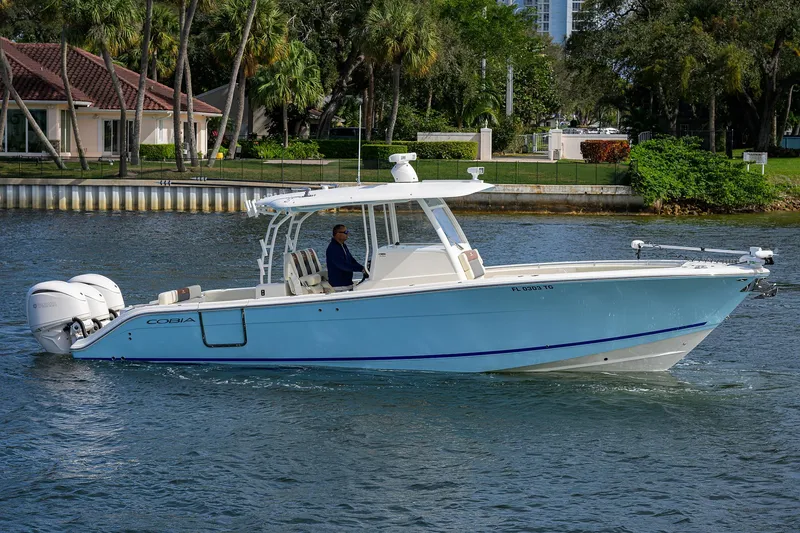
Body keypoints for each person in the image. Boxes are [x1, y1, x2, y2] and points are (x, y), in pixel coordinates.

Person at [326, 224, 367, 291]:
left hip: (347, 284)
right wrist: (360, 269)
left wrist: (363, 268)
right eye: (345, 232)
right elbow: (343, 266)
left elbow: (352, 261)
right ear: (338, 234)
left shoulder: (343, 246)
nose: (347, 234)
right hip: (340, 286)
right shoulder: (333, 249)